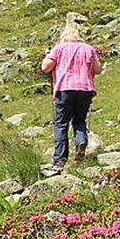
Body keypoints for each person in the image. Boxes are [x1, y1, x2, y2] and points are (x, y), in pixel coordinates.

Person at [42, 19, 102, 170]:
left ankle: (60, 160)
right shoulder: (89, 49)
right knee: (79, 120)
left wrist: (48, 55)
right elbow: (98, 69)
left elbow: (45, 68)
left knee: (61, 124)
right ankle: (81, 141)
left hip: (65, 88)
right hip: (85, 89)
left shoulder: (59, 48)